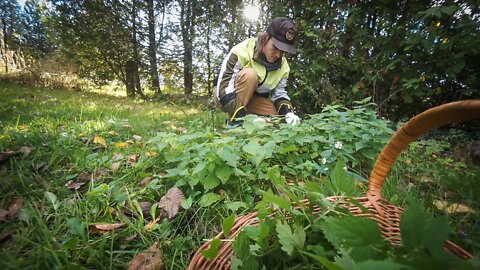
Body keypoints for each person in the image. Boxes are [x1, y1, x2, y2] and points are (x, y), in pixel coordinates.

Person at [214, 17, 301, 126]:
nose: (278, 54)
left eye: (283, 51)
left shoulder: (283, 66)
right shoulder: (241, 51)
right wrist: (244, 117)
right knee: (250, 75)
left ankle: (251, 120)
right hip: (227, 97)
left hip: (253, 100)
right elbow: (223, 89)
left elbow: (280, 94)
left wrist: (288, 113)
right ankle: (234, 123)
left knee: (276, 121)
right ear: (265, 38)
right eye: (275, 47)